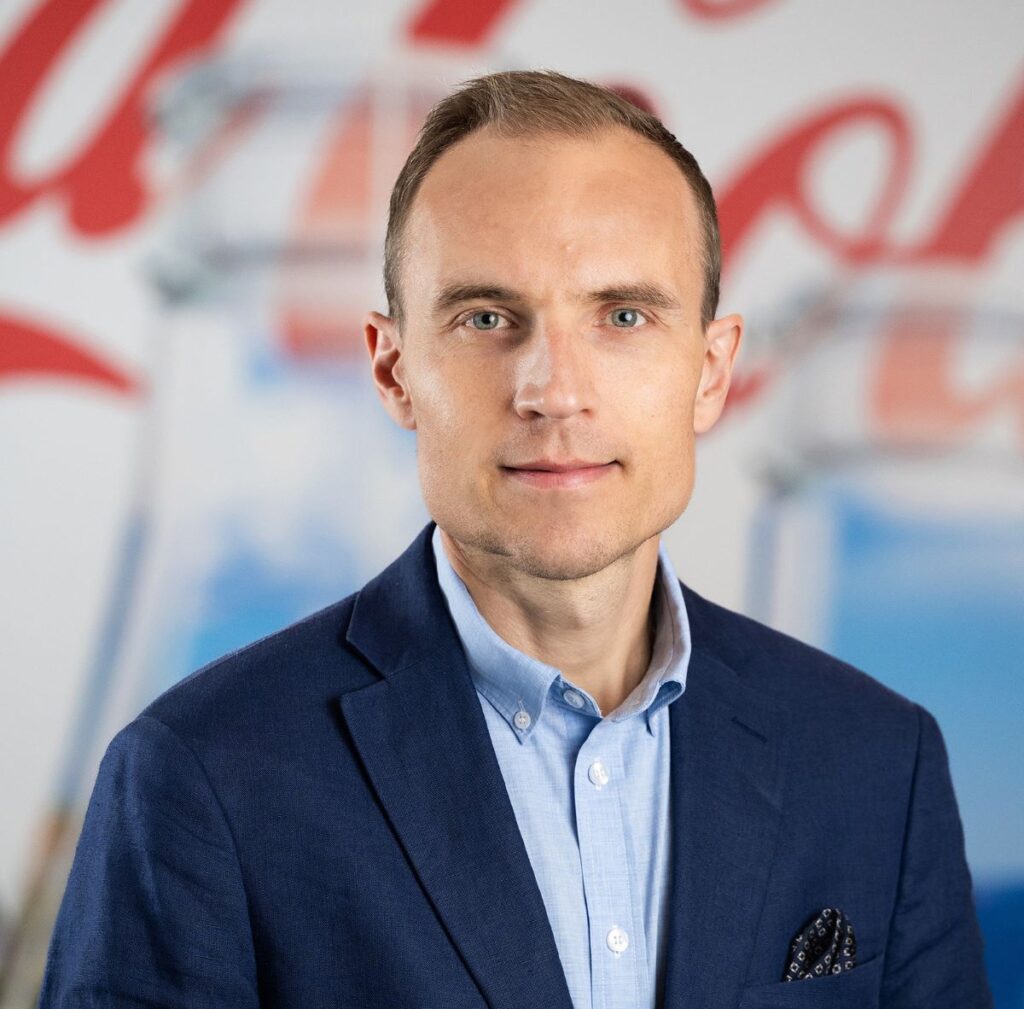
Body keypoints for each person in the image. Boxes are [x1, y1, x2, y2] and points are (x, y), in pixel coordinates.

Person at [39, 69, 991, 1009]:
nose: (555, 391)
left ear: (711, 372)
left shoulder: (877, 762)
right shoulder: (201, 774)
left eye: (623, 316)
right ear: (394, 369)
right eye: (487, 318)